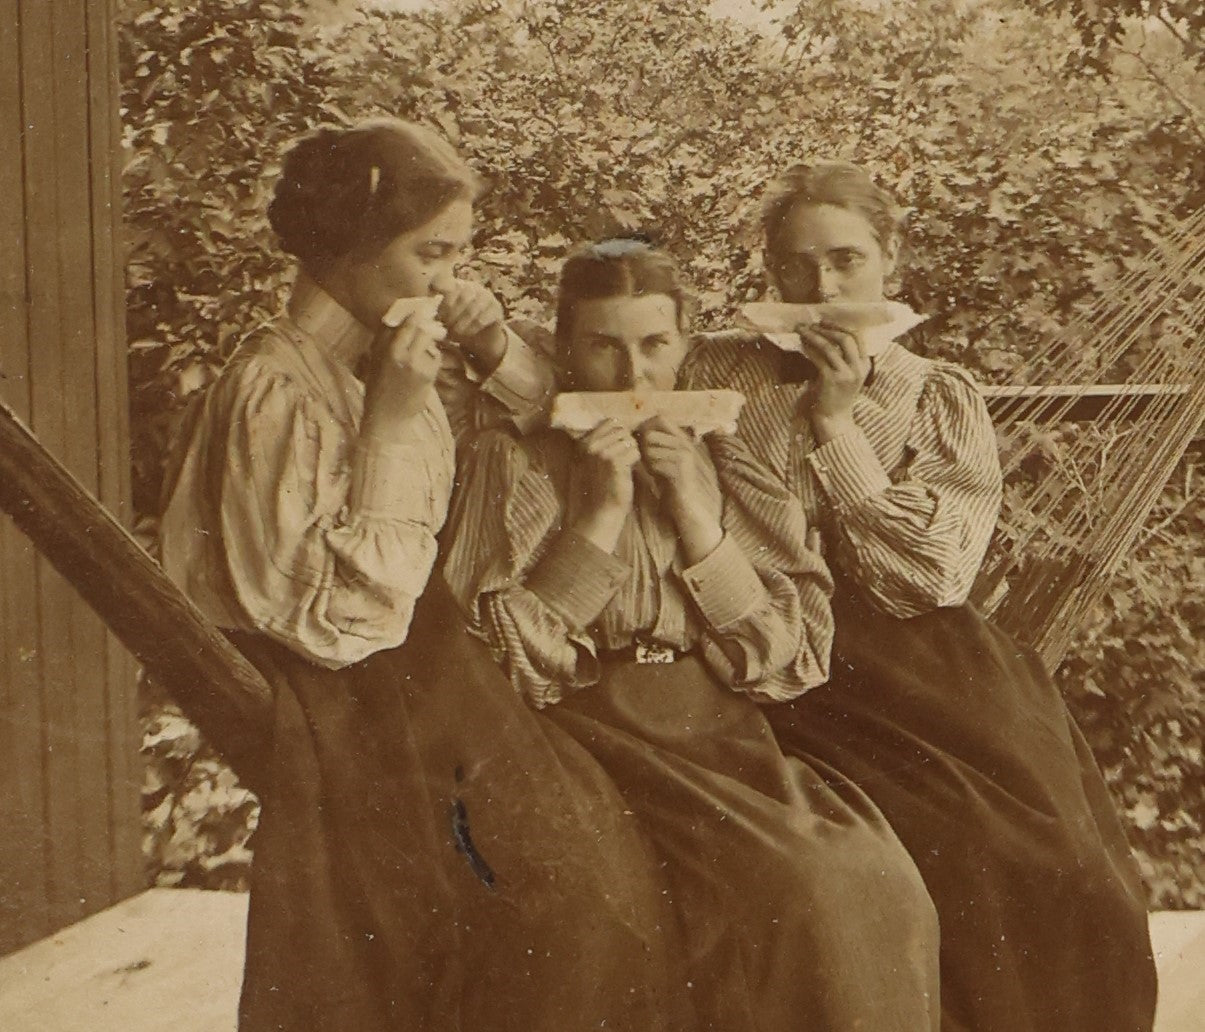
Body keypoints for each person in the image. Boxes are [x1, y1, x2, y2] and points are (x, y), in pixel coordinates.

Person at [159, 120, 692, 1032]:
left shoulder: (364, 364)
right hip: (342, 688)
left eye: (460, 254)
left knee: (601, 868)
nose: (450, 280)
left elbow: (550, 412)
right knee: (560, 902)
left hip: (418, 667)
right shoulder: (273, 388)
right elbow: (342, 621)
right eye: (431, 254)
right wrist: (396, 419)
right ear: (352, 250)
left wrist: (447, 371)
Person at [681, 160, 1158, 1032]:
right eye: (796, 265)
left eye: (846, 260)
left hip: (911, 657)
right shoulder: (709, 369)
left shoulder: (934, 392)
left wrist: (833, 422)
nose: (820, 287)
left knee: (1035, 857)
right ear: (769, 271)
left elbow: (933, 574)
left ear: (890, 261)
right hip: (756, 638)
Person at [443, 238, 942, 1032]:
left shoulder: (727, 453)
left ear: (685, 347)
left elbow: (789, 653)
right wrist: (599, 516)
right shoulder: (514, 456)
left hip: (718, 728)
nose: (633, 378)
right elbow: (497, 657)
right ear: (563, 348)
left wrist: (695, 517)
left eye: (654, 346)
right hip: (577, 733)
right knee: (765, 891)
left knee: (866, 882)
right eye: (603, 346)